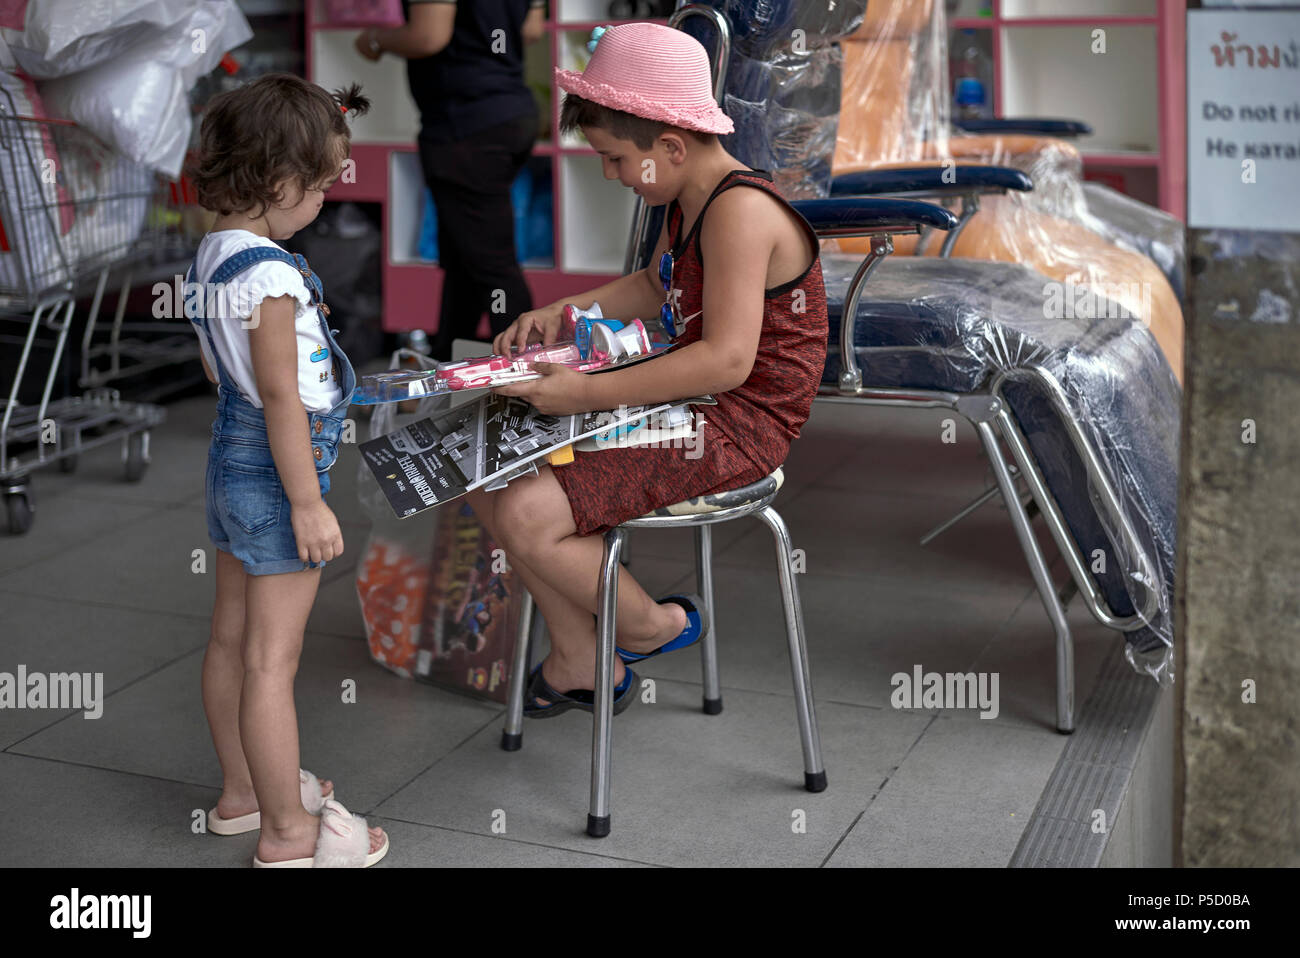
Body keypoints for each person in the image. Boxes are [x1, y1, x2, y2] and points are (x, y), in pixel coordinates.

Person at [471, 23, 829, 714]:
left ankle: (652, 625)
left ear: (670, 144)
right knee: (486, 471)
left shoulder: (740, 211)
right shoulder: (687, 195)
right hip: (690, 397)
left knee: (524, 511)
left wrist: (586, 392)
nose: (609, 173)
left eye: (612, 158)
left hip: (734, 424)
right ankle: (583, 661)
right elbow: (654, 285)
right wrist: (563, 311)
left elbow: (727, 361)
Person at [188, 74, 388, 867]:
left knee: (230, 641)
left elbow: (223, 377)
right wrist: (307, 502)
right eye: (323, 183)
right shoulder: (270, 275)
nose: (328, 199)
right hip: (279, 470)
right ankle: (287, 834)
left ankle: (242, 795)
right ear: (276, 184)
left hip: (230, 461)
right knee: (274, 660)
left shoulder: (213, 252)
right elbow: (279, 397)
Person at [356, 1, 547, 359]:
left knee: (492, 266)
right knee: (465, 259)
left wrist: (375, 39)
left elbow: (429, 36)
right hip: (509, 112)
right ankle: (444, 374)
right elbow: (530, 29)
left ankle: (525, 381)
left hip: (466, 124)